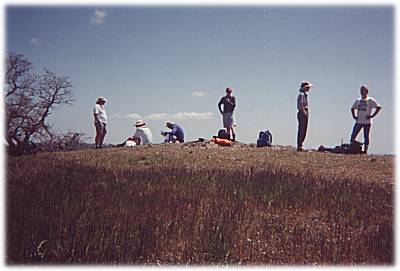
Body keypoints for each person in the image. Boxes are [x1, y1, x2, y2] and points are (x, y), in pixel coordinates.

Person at [350, 84, 382, 154]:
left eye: (363, 90)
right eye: (361, 90)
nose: (362, 92)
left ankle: (365, 151)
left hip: (367, 122)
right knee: (353, 136)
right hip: (359, 121)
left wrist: (372, 116)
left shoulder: (370, 100)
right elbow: (352, 108)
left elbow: (378, 107)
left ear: (367, 91)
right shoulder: (358, 100)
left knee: (366, 136)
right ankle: (355, 148)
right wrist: (354, 116)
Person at [296, 81, 314, 151]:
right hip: (302, 113)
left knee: (303, 129)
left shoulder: (303, 95)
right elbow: (301, 105)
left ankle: (300, 145)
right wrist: (304, 113)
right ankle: (300, 145)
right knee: (302, 129)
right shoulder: (302, 95)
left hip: (304, 112)